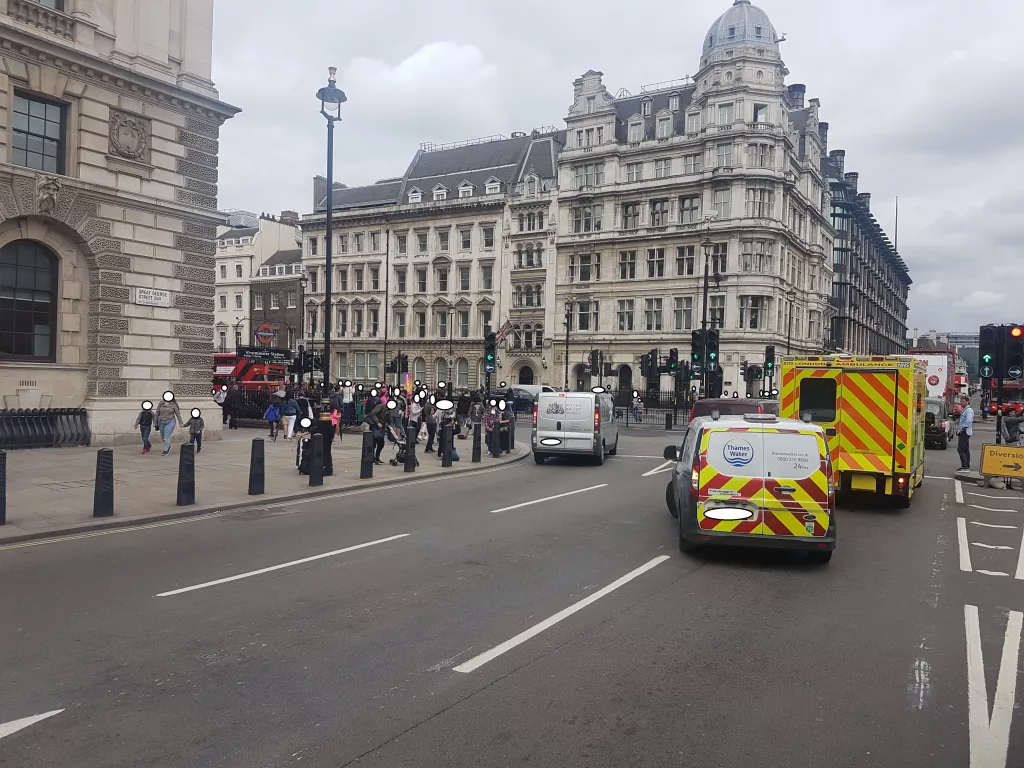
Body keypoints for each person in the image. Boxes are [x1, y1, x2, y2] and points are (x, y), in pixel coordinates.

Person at [365, 398, 388, 465]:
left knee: (381, 444)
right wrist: (377, 422)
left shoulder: (384, 408)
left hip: (380, 428)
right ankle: (373, 458)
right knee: (373, 444)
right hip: (374, 426)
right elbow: (372, 413)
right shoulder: (379, 406)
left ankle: (377, 458)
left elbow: (389, 419)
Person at [957, 395, 974, 471]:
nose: (961, 403)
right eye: (961, 401)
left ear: (967, 402)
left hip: (965, 432)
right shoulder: (965, 410)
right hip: (965, 431)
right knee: (966, 449)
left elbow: (969, 420)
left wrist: (963, 428)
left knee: (960, 449)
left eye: (963, 401)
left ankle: (964, 466)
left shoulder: (968, 410)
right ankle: (966, 464)